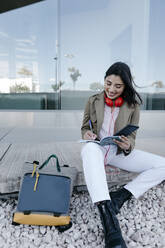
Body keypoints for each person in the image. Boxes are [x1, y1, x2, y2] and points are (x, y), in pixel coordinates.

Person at [80, 62, 165, 248]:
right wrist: (86, 134)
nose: (111, 89)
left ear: (125, 86)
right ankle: (110, 222)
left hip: (118, 152)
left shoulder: (133, 106)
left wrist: (127, 145)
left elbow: (132, 137)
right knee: (88, 149)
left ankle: (121, 196)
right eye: (108, 83)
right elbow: (85, 127)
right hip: (98, 149)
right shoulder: (92, 100)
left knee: (163, 165)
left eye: (117, 86)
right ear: (104, 80)